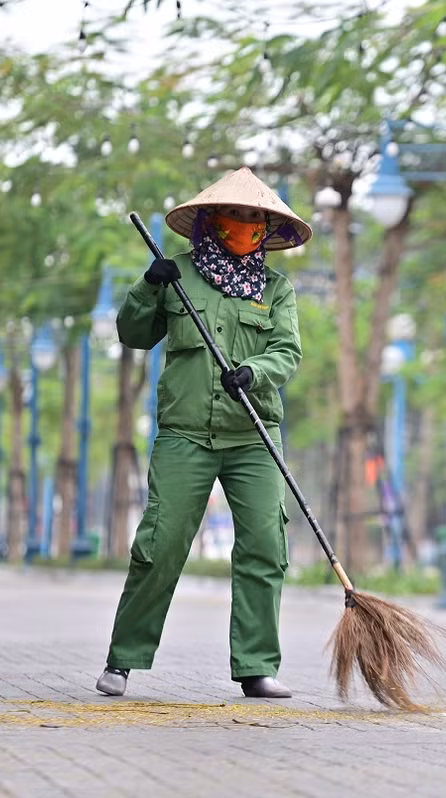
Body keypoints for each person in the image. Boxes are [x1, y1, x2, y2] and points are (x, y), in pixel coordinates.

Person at [95, 167, 312, 699]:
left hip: (254, 435)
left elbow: (287, 353)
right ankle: (123, 659)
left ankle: (257, 666)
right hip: (185, 434)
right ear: (213, 222)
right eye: (237, 215)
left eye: (256, 218)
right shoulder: (178, 277)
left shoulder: (277, 289)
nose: (247, 225)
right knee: (161, 542)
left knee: (266, 544)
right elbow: (133, 335)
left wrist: (254, 373)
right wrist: (150, 286)